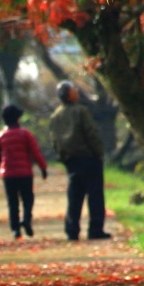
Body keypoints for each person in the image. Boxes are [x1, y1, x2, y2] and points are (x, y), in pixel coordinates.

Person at [48, 80, 110, 241]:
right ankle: (95, 229)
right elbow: (91, 134)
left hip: (70, 160)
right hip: (88, 158)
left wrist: (63, 157)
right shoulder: (81, 111)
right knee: (95, 195)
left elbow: (55, 140)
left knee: (74, 196)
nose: (77, 91)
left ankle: (72, 230)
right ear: (69, 94)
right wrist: (99, 153)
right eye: (74, 89)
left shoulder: (56, 115)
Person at [0, 104, 47, 239]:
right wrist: (43, 168)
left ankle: (15, 229)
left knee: (12, 202)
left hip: (8, 174)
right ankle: (26, 219)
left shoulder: (1, 136)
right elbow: (36, 152)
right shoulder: (25, 134)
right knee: (28, 199)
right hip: (25, 173)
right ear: (18, 119)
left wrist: (2, 162)